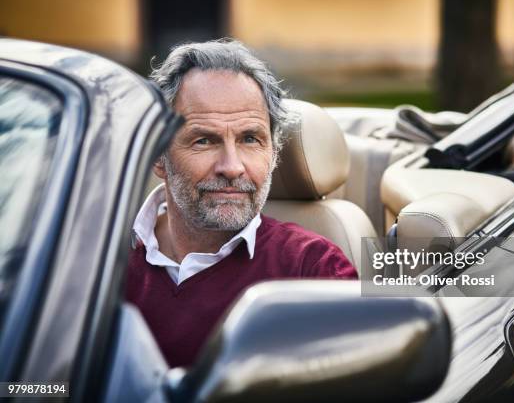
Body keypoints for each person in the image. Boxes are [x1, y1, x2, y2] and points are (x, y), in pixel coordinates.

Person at [125, 39, 357, 368]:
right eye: (204, 140)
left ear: (274, 153)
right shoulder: (100, 261)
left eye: (250, 139)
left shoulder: (314, 270)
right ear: (159, 156)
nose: (232, 167)